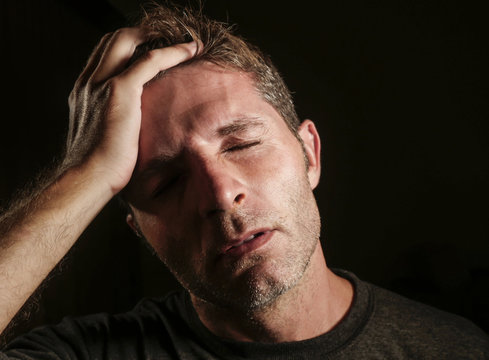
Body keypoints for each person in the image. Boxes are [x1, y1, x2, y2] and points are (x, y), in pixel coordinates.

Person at [0, 3, 487, 359]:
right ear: (141, 233)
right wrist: (87, 174)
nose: (219, 195)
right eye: (167, 182)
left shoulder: (458, 348)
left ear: (310, 155)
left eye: (241, 145)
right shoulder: (86, 355)